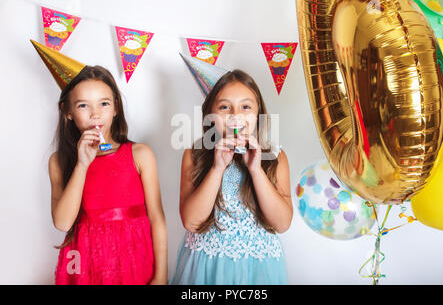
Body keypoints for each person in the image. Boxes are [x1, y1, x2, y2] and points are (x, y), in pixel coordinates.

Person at [31, 40, 167, 284]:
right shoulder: (60, 161)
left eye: (104, 103)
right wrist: (82, 164)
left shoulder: (140, 154)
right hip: (85, 266)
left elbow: (157, 218)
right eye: (83, 105)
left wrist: (161, 276)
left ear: (116, 107)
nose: (96, 114)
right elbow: (63, 223)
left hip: (134, 262)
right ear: (68, 112)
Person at [171, 69, 292, 284]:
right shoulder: (195, 155)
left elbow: (282, 224)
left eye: (246, 107)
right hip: (206, 266)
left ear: (259, 114)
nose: (235, 115)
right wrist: (217, 168)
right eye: (224, 107)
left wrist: (255, 170)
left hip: (258, 268)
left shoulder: (275, 158)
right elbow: (191, 222)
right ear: (210, 114)